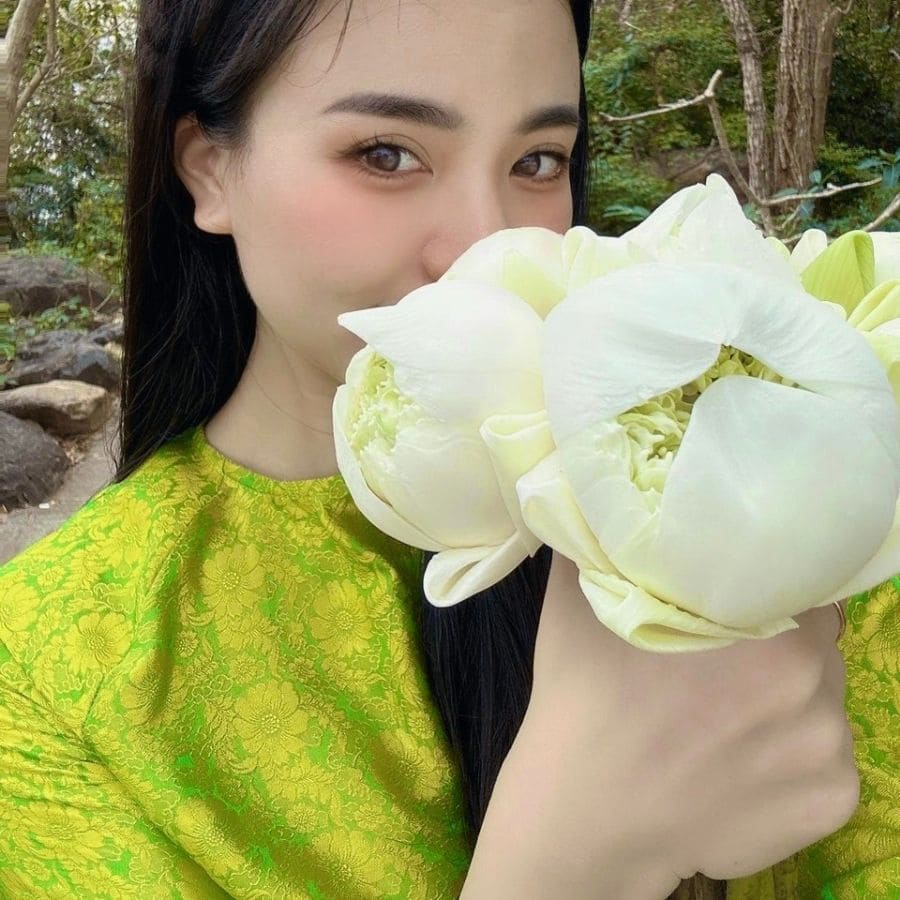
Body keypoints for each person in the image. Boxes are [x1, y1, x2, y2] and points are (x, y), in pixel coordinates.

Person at [0, 0, 895, 897]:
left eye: (537, 161)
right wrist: (569, 862)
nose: (487, 249)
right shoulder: (49, 665)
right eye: (385, 155)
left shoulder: (764, 473)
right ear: (210, 170)